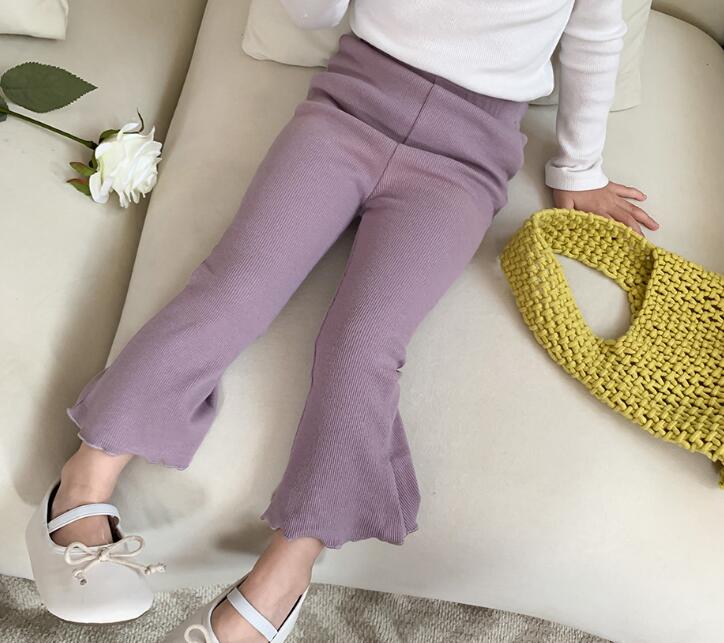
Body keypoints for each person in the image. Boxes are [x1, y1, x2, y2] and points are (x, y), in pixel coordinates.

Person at [26, 1, 659, 641]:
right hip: (348, 112)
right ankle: (82, 483)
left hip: (466, 161)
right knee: (235, 288)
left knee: (363, 350)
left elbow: (595, 33)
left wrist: (579, 167)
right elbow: (311, 13)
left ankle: (287, 570)